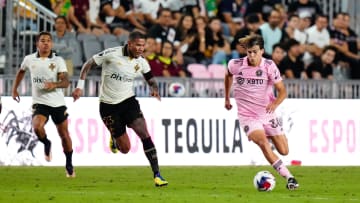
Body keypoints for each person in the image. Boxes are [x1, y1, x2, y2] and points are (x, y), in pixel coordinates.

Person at [72, 31, 168, 187]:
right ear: (129, 44)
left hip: (128, 102)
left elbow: (150, 79)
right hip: (108, 106)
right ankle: (115, 138)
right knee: (125, 149)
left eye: (143, 45)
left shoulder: (142, 62)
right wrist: (79, 87)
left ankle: (157, 174)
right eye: (138, 45)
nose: (141, 48)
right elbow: (88, 64)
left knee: (144, 133)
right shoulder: (112, 54)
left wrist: (154, 88)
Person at [224, 35, 299, 190]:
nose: (251, 55)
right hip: (248, 116)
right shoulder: (236, 64)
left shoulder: (269, 66)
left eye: (255, 52)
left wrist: (275, 103)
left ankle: (270, 136)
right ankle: (290, 178)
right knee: (263, 144)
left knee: (284, 151)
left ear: (262, 51)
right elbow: (228, 75)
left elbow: (282, 91)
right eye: (249, 52)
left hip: (267, 113)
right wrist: (227, 98)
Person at [11, 31, 75, 178]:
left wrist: (54, 84)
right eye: (43, 40)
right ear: (37, 44)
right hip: (40, 102)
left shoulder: (58, 60)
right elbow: (21, 71)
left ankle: (69, 164)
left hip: (58, 103)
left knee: (64, 135)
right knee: (36, 126)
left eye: (48, 41)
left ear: (51, 44)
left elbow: (65, 82)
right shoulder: (29, 59)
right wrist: (14, 89)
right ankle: (46, 143)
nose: (46, 43)